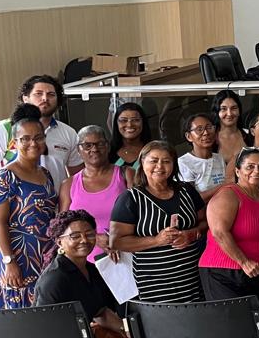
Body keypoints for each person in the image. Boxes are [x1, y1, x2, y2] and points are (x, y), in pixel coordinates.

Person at [34, 210, 136, 338]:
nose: (84, 240)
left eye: (89, 234)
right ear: (60, 242)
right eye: (75, 236)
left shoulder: (91, 270)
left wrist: (129, 330)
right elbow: (44, 329)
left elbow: (101, 312)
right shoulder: (55, 278)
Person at [109, 140, 207, 304]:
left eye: (166, 161)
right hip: (155, 286)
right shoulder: (131, 198)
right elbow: (116, 241)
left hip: (193, 280)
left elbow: (205, 222)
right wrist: (156, 240)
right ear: (142, 162)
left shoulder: (187, 191)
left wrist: (191, 234)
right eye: (153, 161)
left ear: (174, 165)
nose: (160, 166)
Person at [200, 148, 259, 318]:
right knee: (232, 326)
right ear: (237, 171)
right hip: (224, 273)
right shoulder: (228, 194)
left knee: (258, 325)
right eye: (250, 166)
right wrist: (244, 262)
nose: (256, 171)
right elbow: (219, 232)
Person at [0, 107, 59, 309]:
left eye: (38, 138)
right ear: (14, 143)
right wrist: (9, 262)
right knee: (19, 313)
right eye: (25, 139)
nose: (33, 143)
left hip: (43, 255)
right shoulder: (4, 177)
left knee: (42, 308)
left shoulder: (45, 173)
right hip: (17, 257)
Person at [0, 75, 81, 207]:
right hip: (16, 215)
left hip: (56, 212)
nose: (45, 98)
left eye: (51, 94)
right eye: (38, 94)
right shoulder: (5, 129)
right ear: (25, 98)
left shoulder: (68, 133)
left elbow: (78, 178)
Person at [59, 124, 131, 262]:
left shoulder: (126, 175)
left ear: (108, 146)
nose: (94, 149)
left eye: (100, 144)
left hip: (126, 258)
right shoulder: (69, 184)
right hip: (84, 262)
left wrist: (116, 239)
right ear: (78, 150)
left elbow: (141, 215)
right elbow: (62, 226)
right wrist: (95, 237)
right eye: (87, 145)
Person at [177, 113, 226, 202]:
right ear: (189, 136)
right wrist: (225, 186)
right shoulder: (183, 163)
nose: (206, 133)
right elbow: (192, 200)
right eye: (199, 129)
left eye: (209, 128)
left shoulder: (219, 158)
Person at [109, 102, 151, 173]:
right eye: (123, 120)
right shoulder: (107, 152)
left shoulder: (153, 150)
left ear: (143, 122)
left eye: (135, 120)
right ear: (116, 123)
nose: (129, 125)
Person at [213, 90, 248, 167]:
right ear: (217, 112)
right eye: (223, 109)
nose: (229, 114)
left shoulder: (249, 136)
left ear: (239, 111)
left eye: (234, 108)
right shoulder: (209, 138)